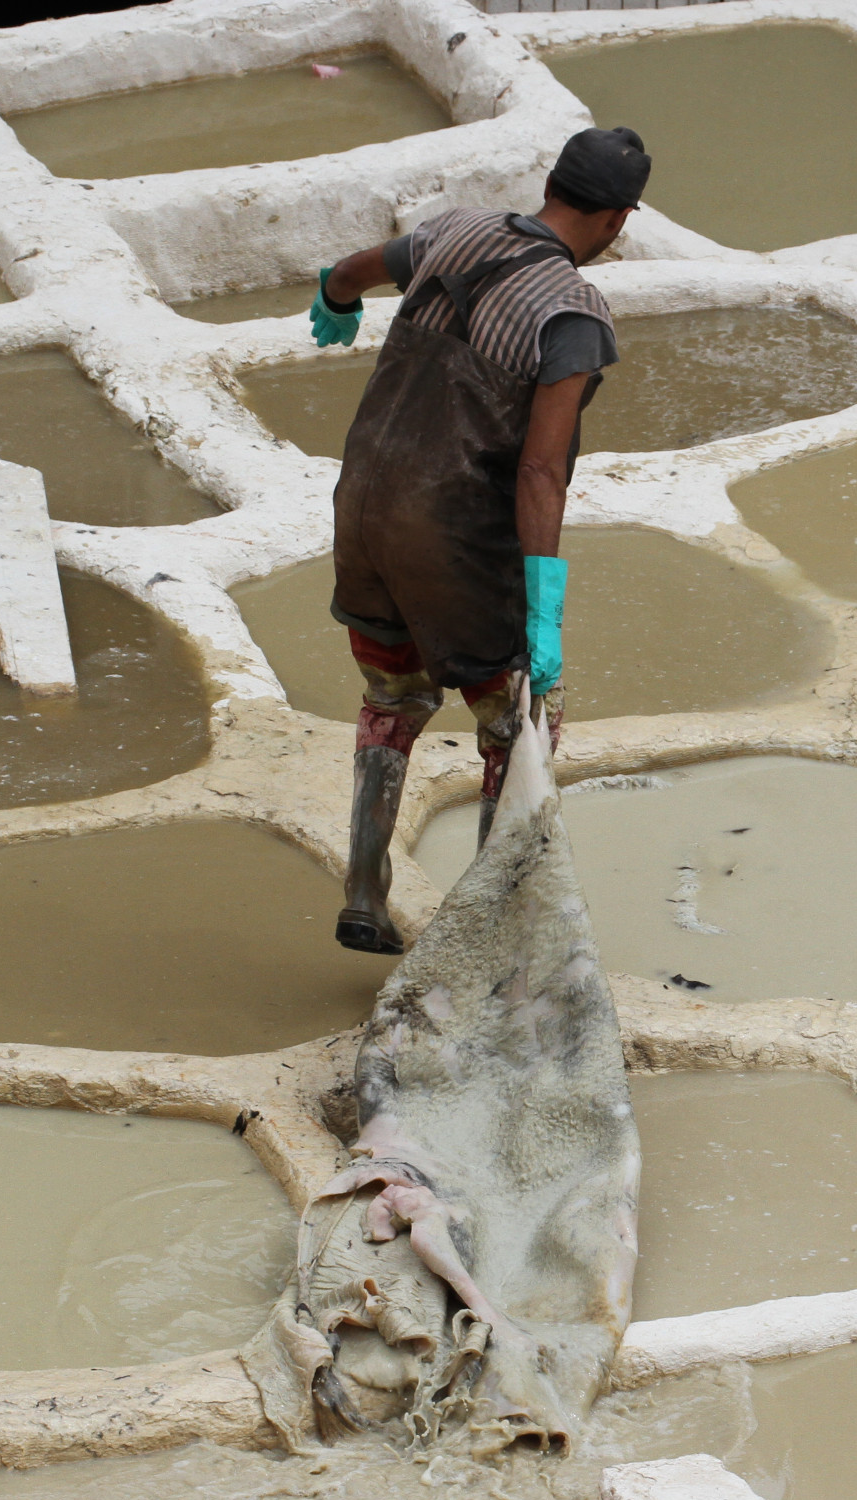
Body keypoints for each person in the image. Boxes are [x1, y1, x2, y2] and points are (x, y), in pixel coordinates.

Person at [305, 125, 652, 955]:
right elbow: (539, 472)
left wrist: (337, 300)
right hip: (452, 538)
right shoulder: (573, 313)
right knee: (518, 720)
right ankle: (490, 933)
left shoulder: (456, 229)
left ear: (554, 186)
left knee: (392, 698)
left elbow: (349, 272)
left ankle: (363, 892)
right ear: (617, 220)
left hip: (362, 506)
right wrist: (545, 611)